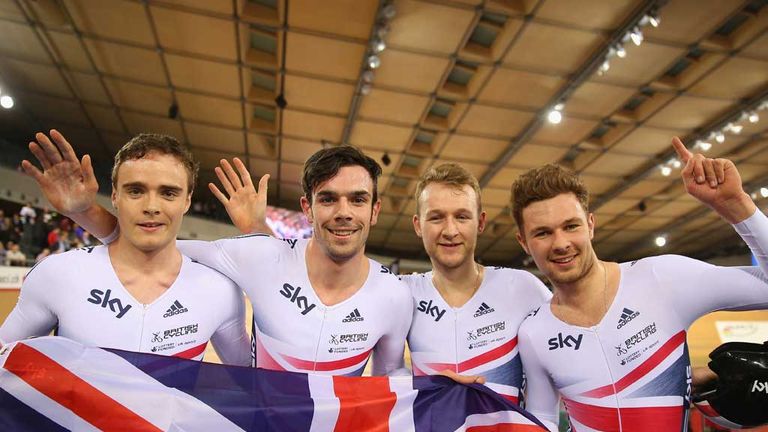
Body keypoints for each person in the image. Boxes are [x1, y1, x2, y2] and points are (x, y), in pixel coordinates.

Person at [24, 134, 412, 376]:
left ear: (375, 210)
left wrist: (447, 387)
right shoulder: (259, 257)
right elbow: (152, 242)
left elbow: (391, 375)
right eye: (328, 199)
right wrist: (82, 210)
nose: (344, 212)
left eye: (358, 200)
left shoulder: (395, 295)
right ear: (307, 208)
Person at [513, 138, 768, 431]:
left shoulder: (661, 279)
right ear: (523, 242)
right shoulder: (534, 333)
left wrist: (736, 205)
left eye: (571, 226)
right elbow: (541, 420)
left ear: (591, 224)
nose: (561, 244)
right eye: (543, 233)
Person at [0, 131, 251, 367]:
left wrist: (259, 228)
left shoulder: (220, 292)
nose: (151, 206)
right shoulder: (57, 274)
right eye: (135, 191)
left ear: (187, 201)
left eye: (168, 193)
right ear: (114, 197)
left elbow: (253, 380)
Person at [404, 163, 551, 403]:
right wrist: (423, 385)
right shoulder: (402, 293)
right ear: (418, 225)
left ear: (480, 222)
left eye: (462, 217)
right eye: (436, 217)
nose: (450, 230)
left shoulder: (524, 287)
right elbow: (385, 375)